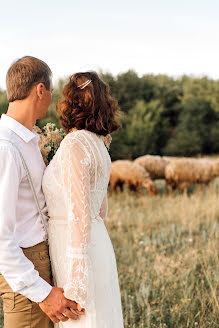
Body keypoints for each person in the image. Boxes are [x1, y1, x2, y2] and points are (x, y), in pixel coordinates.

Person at [0, 56, 84, 328]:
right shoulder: (6, 147)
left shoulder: (26, 140)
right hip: (26, 273)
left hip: (40, 262)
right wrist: (41, 292)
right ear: (40, 90)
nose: (52, 97)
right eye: (50, 90)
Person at [42, 72, 124, 327]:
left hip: (77, 253)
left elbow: (79, 215)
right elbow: (100, 210)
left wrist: (77, 283)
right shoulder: (100, 145)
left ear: (71, 103)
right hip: (95, 243)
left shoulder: (75, 144)